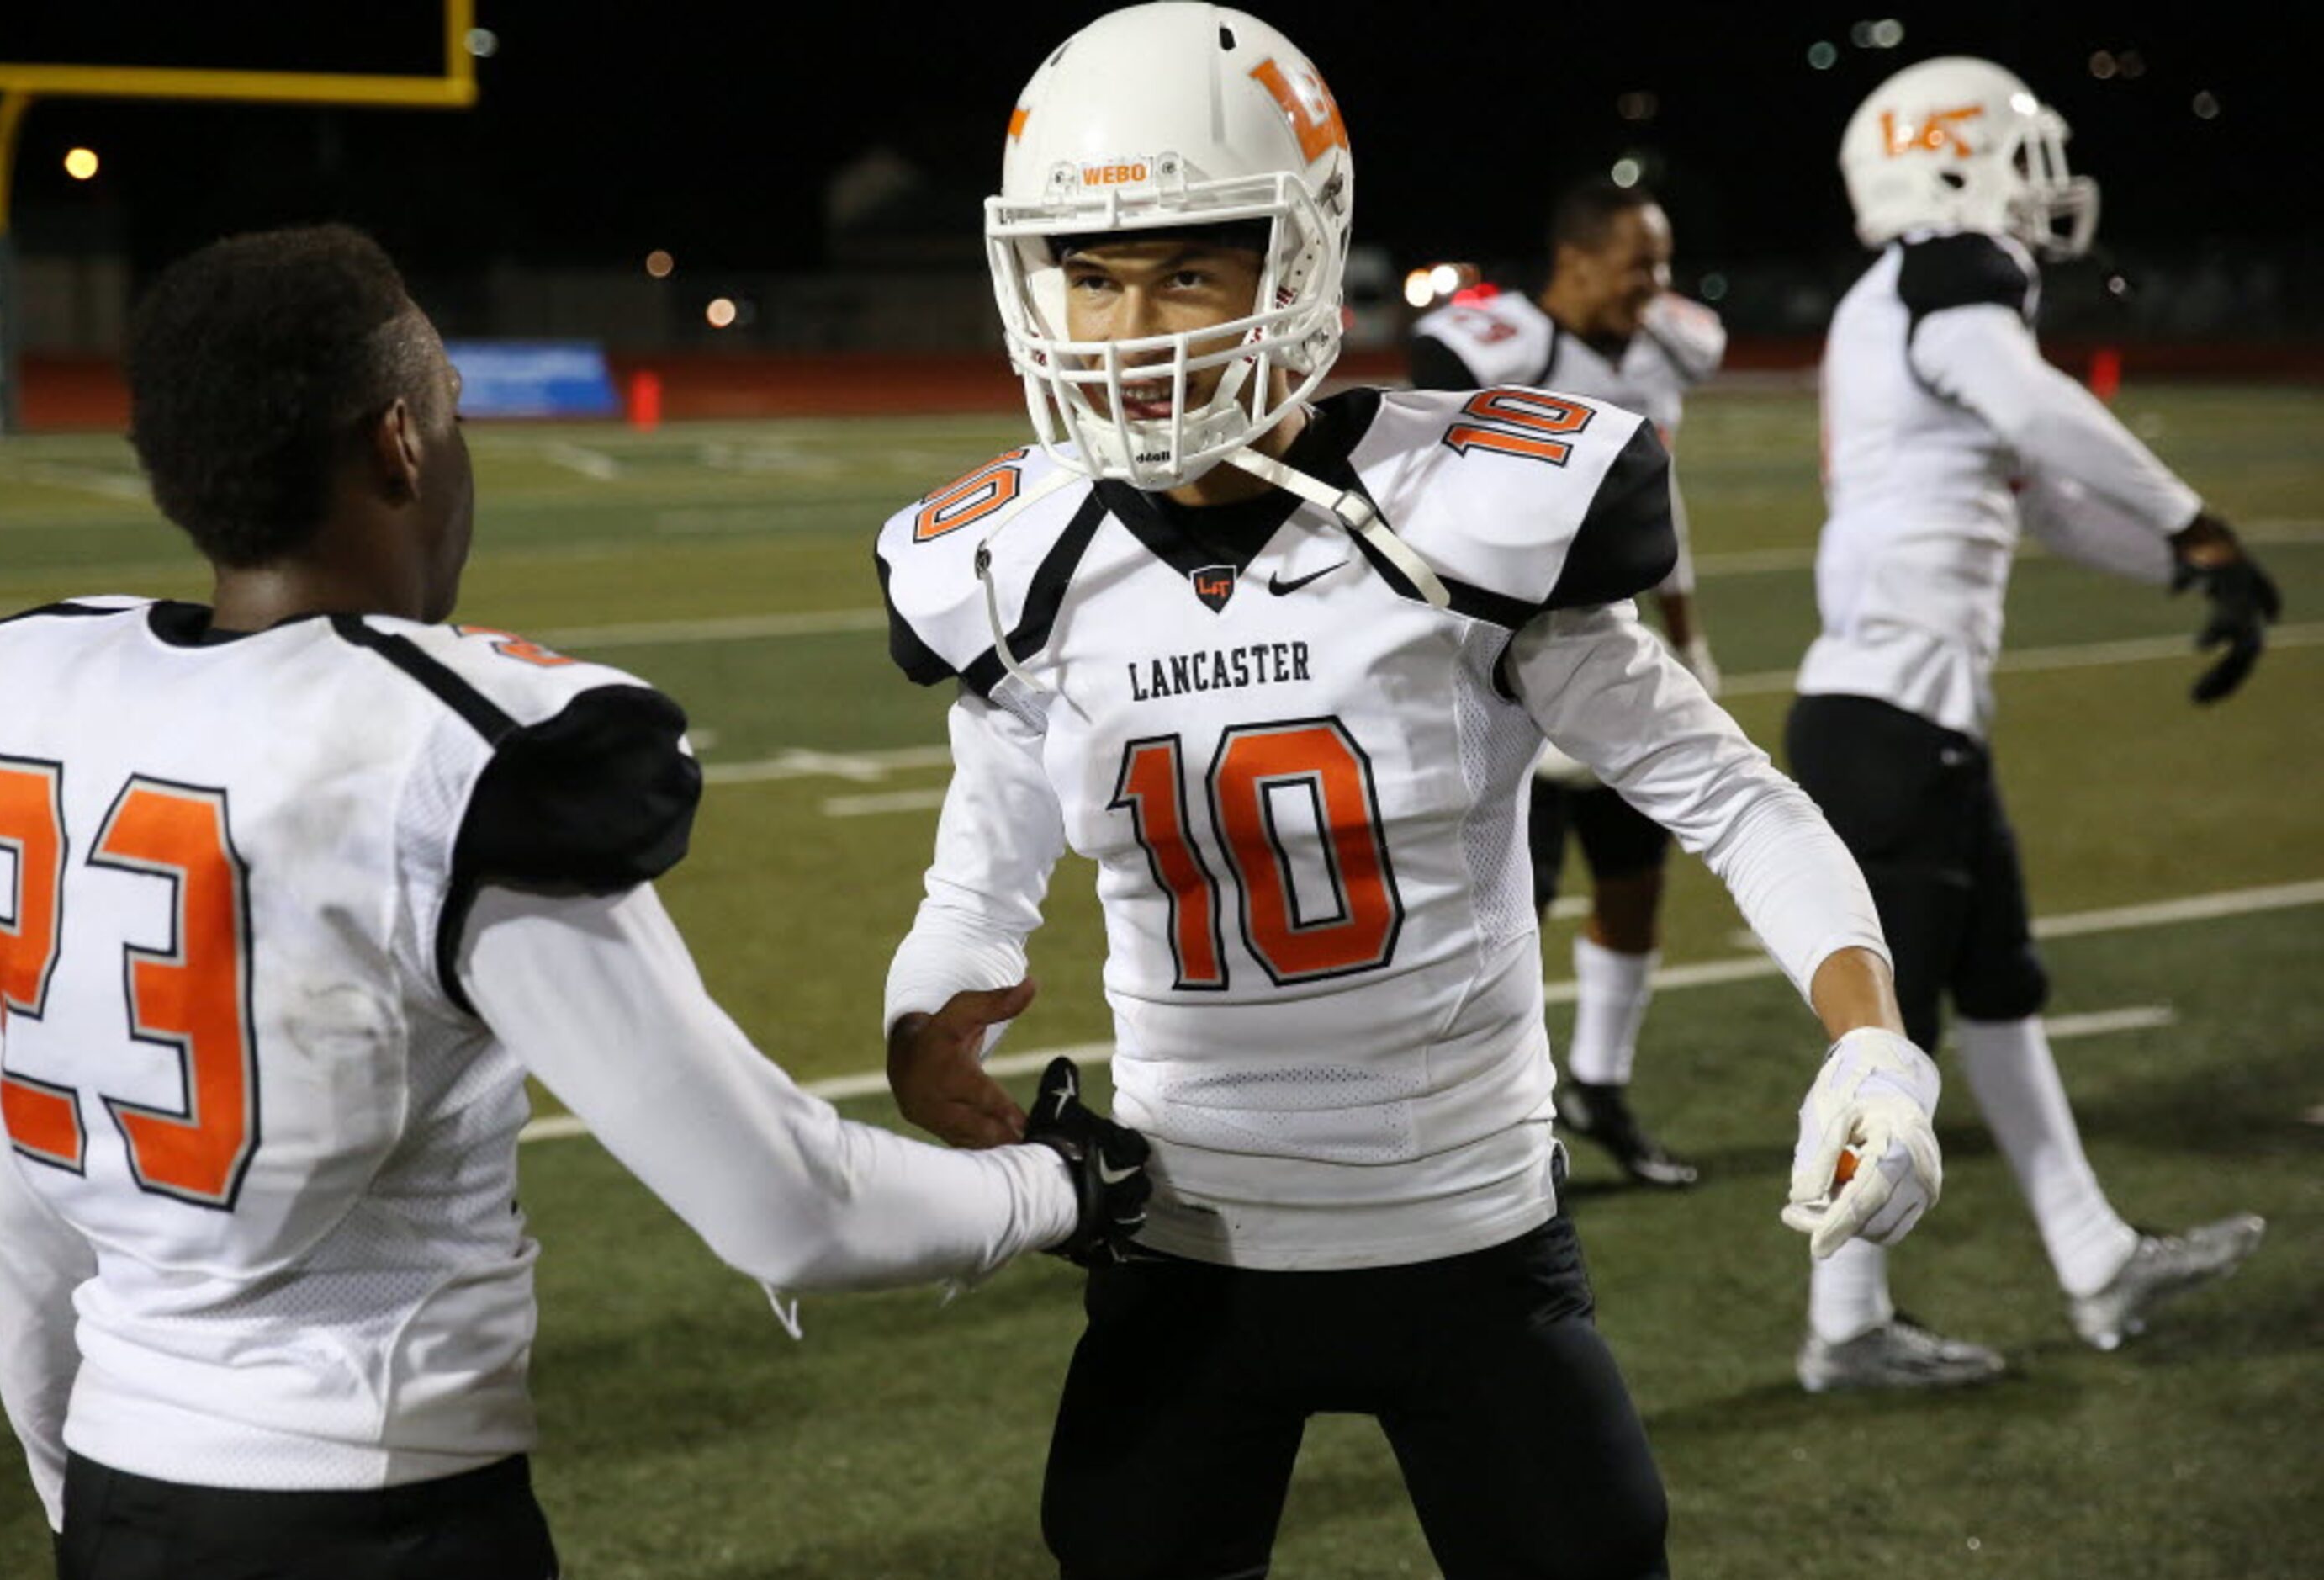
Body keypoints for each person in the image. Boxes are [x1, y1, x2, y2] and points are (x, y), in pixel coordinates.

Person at [875, 8, 1944, 1575]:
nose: (1123, 321)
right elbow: (973, 888)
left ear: (1297, 264)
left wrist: (1872, 1042)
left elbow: (1733, 796)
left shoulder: (1461, 516)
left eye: (1184, 266)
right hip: (1185, 1240)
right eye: (1090, 272)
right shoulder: (1019, 561)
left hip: (1466, 1235)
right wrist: (928, 1026)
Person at [0, 223, 1149, 1580]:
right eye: (448, 415)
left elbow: (13, 1199)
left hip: (121, 1488)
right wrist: (1062, 1186)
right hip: (378, 1509)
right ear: (398, 441)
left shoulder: (19, 686)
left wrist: (70, 1483)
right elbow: (792, 1211)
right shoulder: (457, 746)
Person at [1790, 56, 2274, 1392]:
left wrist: (2190, 568)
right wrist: (2198, 519)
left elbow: (2042, 497)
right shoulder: (1952, 271)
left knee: (2000, 998)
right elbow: (2037, 413)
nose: (2043, 185)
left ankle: (2096, 1258)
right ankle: (1846, 1326)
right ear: (1949, 158)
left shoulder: (1904, 302)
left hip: (1912, 719)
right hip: (1893, 722)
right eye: (2021, 151)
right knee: (1891, 1041)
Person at [1406, 178, 1728, 1188]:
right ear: (1574, 258)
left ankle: (1600, 1082)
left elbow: (1659, 507)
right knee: (1515, 905)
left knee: (1636, 883)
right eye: (1640, 261)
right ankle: (1492, 1117)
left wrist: (1689, 637)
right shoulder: (1500, 346)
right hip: (1522, 666)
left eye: (1662, 261)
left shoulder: (1663, 345)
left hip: (1626, 653)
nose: (1657, 283)